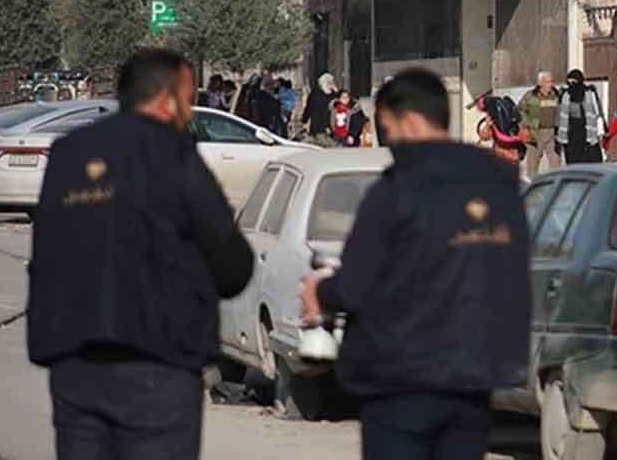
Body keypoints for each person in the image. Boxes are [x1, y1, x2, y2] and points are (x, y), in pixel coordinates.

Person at [27, 48, 253, 459]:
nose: (190, 112)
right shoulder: (173, 152)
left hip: (75, 364)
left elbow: (46, 251)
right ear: (167, 100)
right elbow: (231, 262)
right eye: (188, 100)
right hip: (157, 365)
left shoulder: (68, 154)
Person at [298, 69, 530, 460]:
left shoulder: (397, 189)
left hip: (402, 377)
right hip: (476, 375)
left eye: (386, 127)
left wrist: (318, 291)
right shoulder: (501, 185)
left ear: (406, 119)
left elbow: (355, 285)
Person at [517, 71, 562, 177]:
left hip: (552, 133)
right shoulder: (530, 96)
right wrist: (526, 125)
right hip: (536, 133)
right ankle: (532, 187)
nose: (550, 85)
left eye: (551, 82)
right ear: (540, 83)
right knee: (533, 165)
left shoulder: (556, 95)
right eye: (547, 82)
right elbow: (520, 110)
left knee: (556, 163)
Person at [556, 69, 603, 164]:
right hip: (572, 136)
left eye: (574, 81)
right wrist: (561, 139)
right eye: (569, 82)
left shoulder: (589, 93)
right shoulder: (566, 95)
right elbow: (562, 118)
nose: (571, 84)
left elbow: (598, 115)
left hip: (588, 136)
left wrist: (599, 134)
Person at [477, 95, 530, 165]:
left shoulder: (515, 129)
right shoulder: (497, 126)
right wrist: (488, 125)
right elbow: (483, 137)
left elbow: (484, 137)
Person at [302, 73, 338, 139]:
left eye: (331, 81)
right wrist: (304, 119)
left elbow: (308, 108)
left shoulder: (333, 94)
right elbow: (309, 108)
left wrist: (304, 119)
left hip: (328, 124)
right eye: (329, 82)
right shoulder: (316, 93)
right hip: (319, 124)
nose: (331, 83)